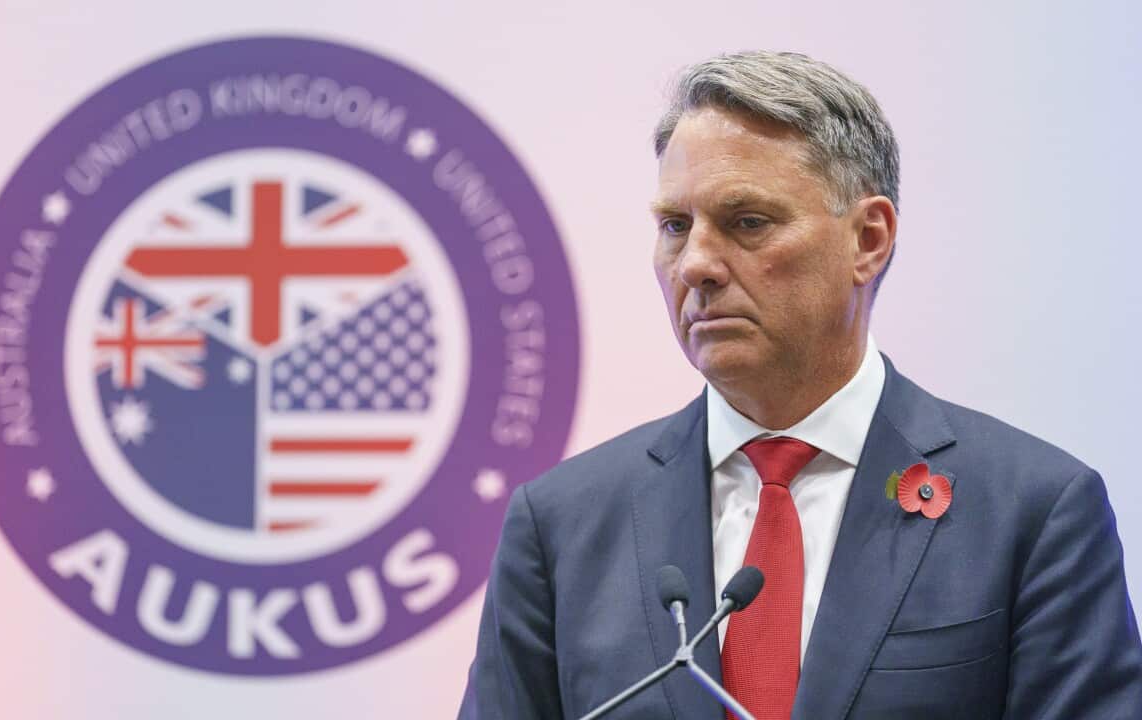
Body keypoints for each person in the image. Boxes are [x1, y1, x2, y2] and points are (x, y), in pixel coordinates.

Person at [457, 51, 1142, 719]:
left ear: (868, 240)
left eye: (747, 222)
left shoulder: (1032, 512)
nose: (696, 264)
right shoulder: (563, 525)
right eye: (675, 226)